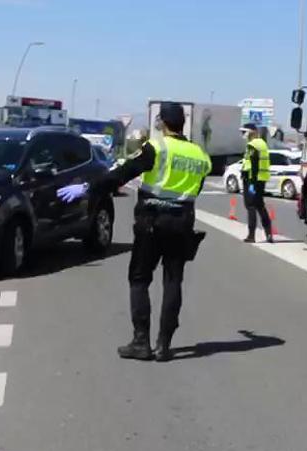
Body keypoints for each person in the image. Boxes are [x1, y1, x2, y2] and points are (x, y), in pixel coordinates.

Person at [56, 103, 211, 362]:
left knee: (139, 278)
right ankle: (164, 345)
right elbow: (195, 190)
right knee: (173, 281)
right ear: (183, 123)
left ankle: (141, 342)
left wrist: (88, 188)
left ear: (162, 122)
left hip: (152, 220)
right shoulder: (199, 155)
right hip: (182, 221)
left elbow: (122, 173)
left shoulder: (157, 147)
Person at [240, 123, 273, 243]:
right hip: (261, 180)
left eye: (245, 132)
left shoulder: (252, 145)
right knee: (260, 205)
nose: (243, 135)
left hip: (252, 181)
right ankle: (269, 233)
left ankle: (251, 235)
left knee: (251, 206)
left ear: (252, 132)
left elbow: (253, 165)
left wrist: (252, 184)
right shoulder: (263, 144)